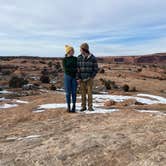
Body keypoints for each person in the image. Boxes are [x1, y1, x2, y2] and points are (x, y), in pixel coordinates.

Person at [77, 43, 98, 111]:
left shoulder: (92, 58)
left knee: (89, 93)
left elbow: (95, 69)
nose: (80, 50)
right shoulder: (79, 57)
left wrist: (92, 77)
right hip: (81, 79)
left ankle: (90, 107)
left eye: (81, 49)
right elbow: (76, 69)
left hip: (89, 79)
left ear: (84, 49)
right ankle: (83, 107)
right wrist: (78, 78)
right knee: (82, 93)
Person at [62, 45, 77, 113]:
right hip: (67, 77)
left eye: (73, 50)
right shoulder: (64, 60)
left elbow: (77, 68)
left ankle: (74, 106)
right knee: (68, 93)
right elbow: (66, 70)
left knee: (74, 92)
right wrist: (74, 69)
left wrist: (73, 69)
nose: (73, 52)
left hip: (74, 77)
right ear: (68, 51)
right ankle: (68, 107)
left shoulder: (75, 59)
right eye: (72, 50)